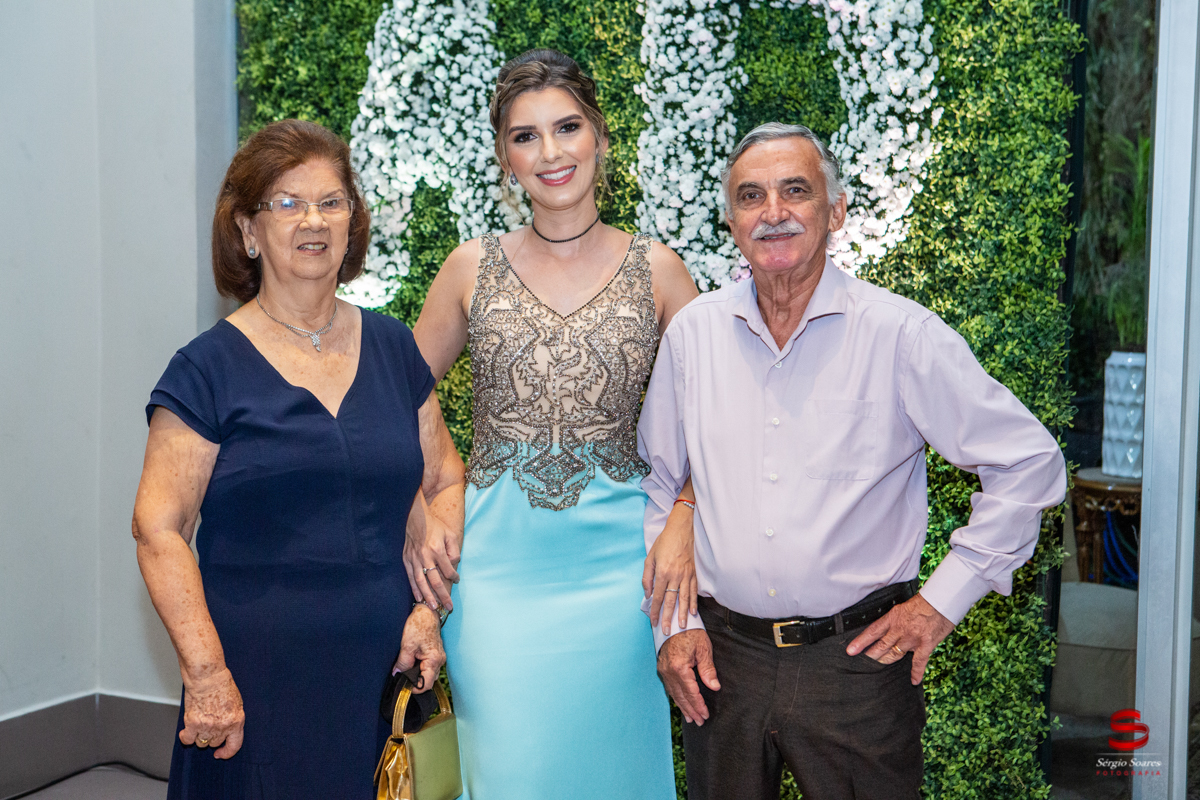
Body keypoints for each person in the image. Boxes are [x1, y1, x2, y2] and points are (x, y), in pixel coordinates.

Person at [637, 122, 1068, 800]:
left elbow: (1029, 464)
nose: (773, 212)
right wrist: (675, 626)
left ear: (835, 211)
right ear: (731, 221)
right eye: (751, 196)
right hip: (722, 662)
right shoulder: (694, 336)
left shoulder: (901, 335)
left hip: (857, 668)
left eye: (795, 191)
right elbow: (660, 483)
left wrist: (941, 603)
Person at [132, 119, 463, 799]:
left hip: (382, 676)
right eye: (287, 203)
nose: (313, 220)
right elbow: (158, 529)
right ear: (248, 231)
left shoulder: (393, 347)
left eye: (331, 202)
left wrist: (429, 610)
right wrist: (205, 674)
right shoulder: (205, 370)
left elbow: (444, 480)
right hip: (253, 684)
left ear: (351, 223)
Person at [409, 49, 699, 799]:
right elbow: (395, 399)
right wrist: (427, 498)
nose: (550, 152)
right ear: (505, 158)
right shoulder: (470, 267)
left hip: (624, 583)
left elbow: (721, 417)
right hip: (495, 579)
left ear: (599, 134)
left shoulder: (661, 271)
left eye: (567, 127)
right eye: (525, 136)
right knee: (510, 773)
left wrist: (687, 513)